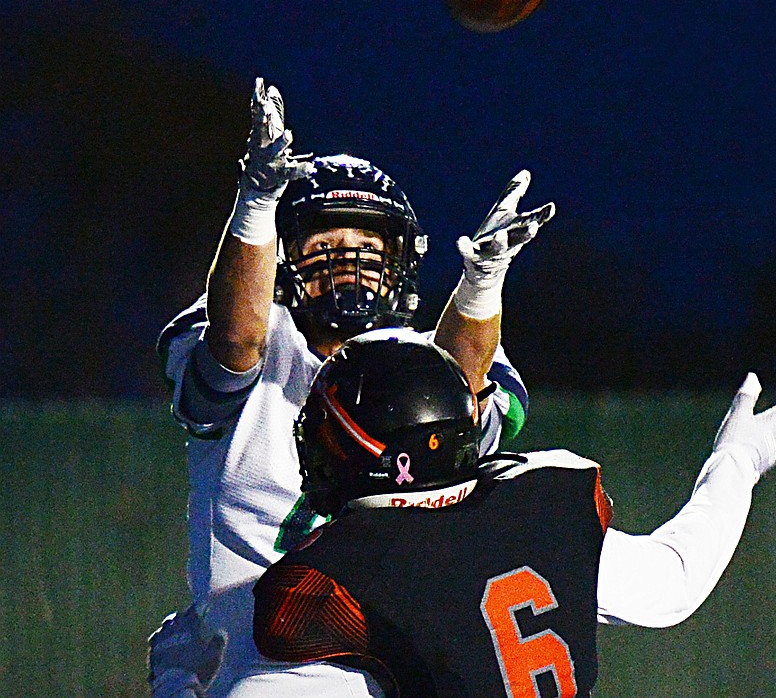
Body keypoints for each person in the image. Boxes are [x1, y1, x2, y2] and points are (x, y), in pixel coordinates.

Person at [148, 78, 554, 698]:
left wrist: (481, 284)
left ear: (400, 263)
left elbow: (462, 403)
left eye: (367, 246)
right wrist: (257, 203)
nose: (349, 261)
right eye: (325, 244)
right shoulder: (252, 327)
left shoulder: (419, 361)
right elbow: (233, 348)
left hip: (378, 665)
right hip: (241, 662)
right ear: (283, 260)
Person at [245, 332, 776, 697]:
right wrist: (740, 461)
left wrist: (188, 679)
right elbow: (676, 579)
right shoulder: (543, 500)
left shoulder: (334, 578)